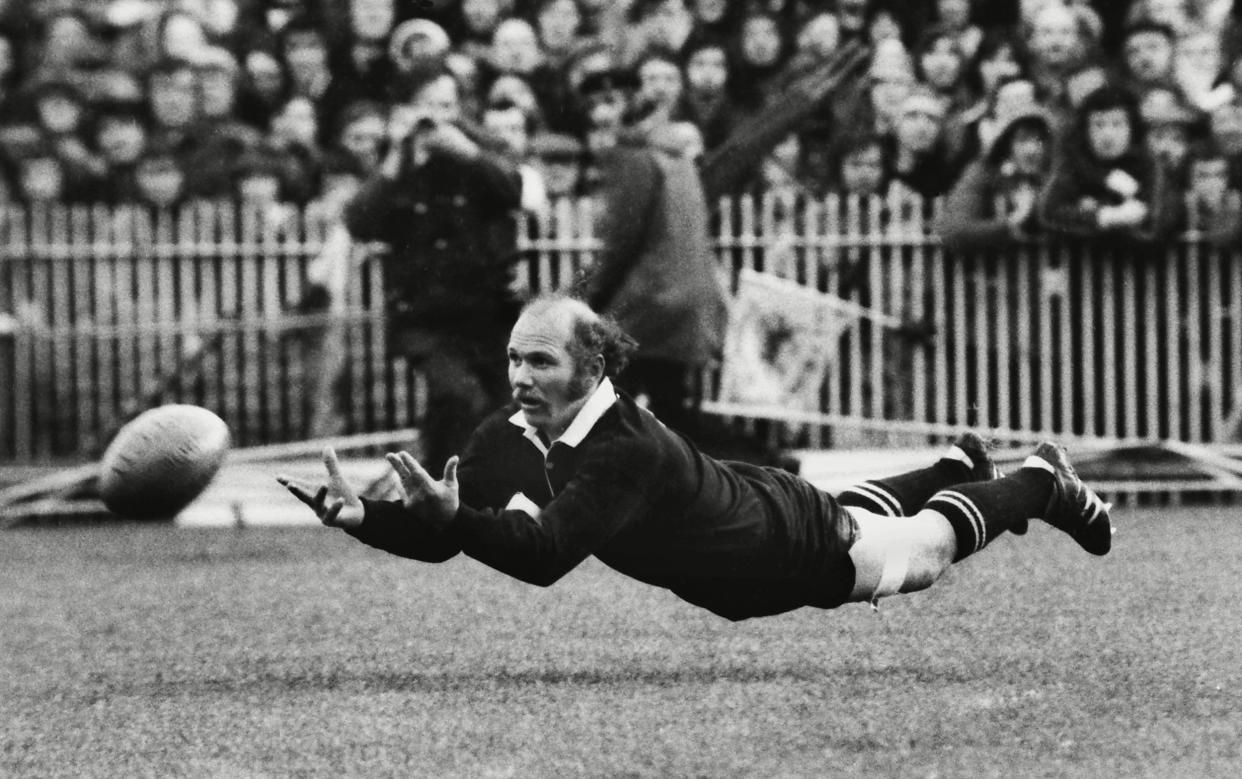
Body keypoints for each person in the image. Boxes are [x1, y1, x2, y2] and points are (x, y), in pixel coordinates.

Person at [278, 294, 1114, 622]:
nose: (519, 375)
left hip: (786, 548)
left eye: (540, 360)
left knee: (925, 556)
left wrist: (454, 516)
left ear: (593, 367)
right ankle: (950, 466)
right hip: (748, 506)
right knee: (857, 508)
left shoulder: (620, 453)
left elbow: (540, 558)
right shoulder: (505, 437)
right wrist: (366, 517)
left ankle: (1035, 479)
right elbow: (446, 533)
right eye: (513, 358)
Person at [337, 68, 523, 472]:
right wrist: (400, 155)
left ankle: (454, 485)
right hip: (424, 314)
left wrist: (468, 153)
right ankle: (438, 484)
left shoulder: (481, 148)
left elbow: (512, 192)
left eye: (447, 105)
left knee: (500, 411)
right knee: (457, 395)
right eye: (429, 106)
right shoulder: (397, 161)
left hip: (486, 310)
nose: (440, 117)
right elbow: (359, 221)